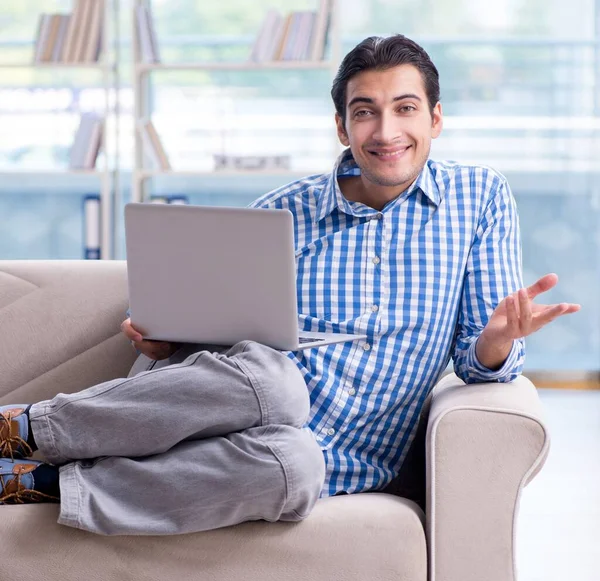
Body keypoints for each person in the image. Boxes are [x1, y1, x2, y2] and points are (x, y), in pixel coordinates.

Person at [0, 34, 580, 535]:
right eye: (364, 111)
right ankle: (23, 428)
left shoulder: (478, 199)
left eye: (405, 108)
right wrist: (167, 341)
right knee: (279, 384)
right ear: (341, 125)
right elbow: (219, 341)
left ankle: (33, 482)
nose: (386, 131)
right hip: (241, 402)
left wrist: (496, 340)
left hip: (315, 458)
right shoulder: (284, 212)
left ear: (434, 118)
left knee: (297, 464)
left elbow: (483, 367)